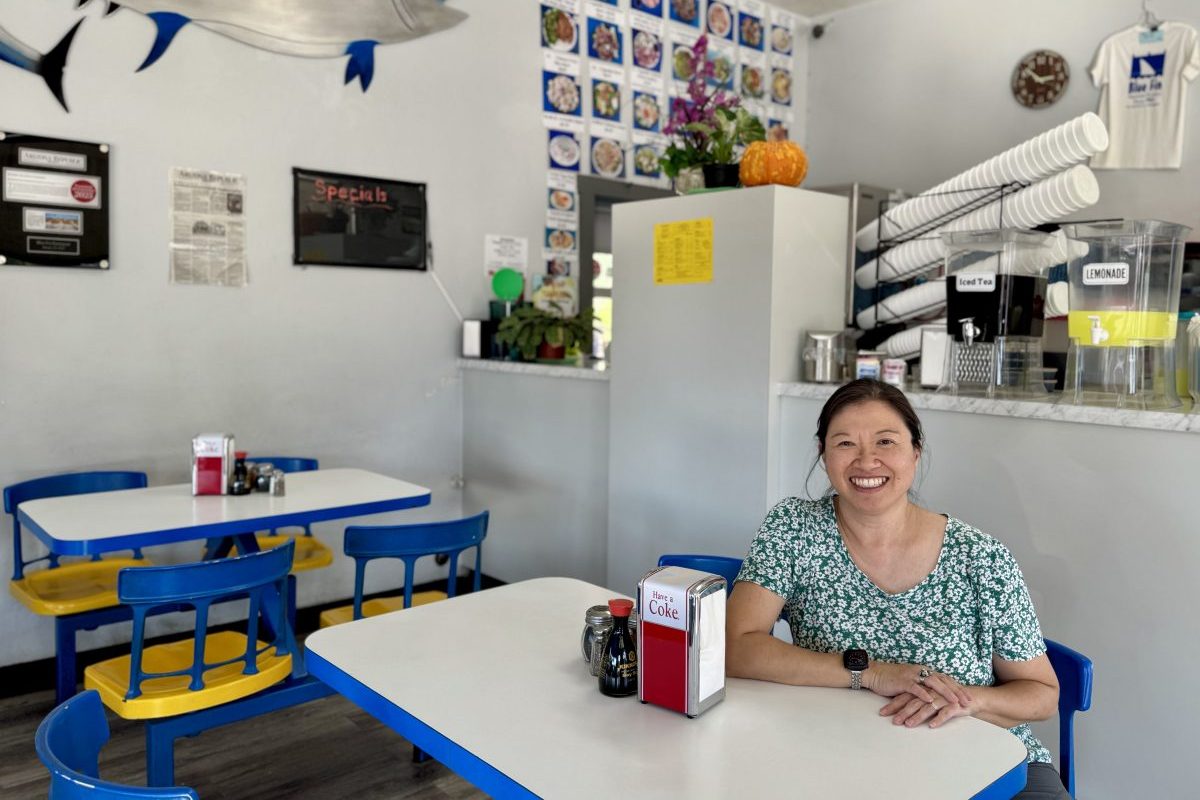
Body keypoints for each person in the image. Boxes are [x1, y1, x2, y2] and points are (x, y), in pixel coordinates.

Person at [727, 379, 1067, 799]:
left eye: (886, 441)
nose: (866, 461)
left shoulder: (980, 556)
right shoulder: (795, 528)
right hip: (840, 755)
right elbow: (734, 646)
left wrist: (967, 702)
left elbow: (1042, 695)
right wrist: (870, 672)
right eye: (845, 443)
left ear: (915, 450)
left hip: (984, 765)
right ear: (823, 454)